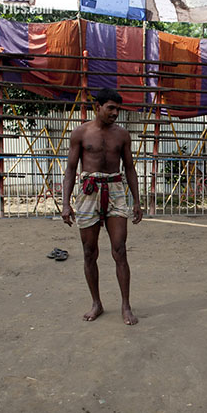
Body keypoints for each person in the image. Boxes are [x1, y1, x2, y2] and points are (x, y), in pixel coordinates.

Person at [62, 88, 143, 325]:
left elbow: (129, 168)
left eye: (118, 109)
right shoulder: (81, 133)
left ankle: (126, 306)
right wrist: (65, 204)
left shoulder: (122, 135)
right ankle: (96, 303)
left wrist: (136, 201)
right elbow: (70, 169)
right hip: (88, 191)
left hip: (116, 191)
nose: (115, 113)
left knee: (120, 249)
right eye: (111, 108)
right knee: (89, 252)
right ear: (98, 106)